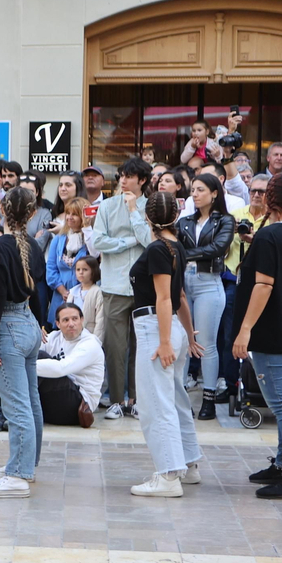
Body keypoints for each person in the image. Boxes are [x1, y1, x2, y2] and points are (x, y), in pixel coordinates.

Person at [232, 173, 282, 499]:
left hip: (272, 330)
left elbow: (264, 285)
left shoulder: (270, 237)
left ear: (268, 199)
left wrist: (245, 329)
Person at [125, 192, 205, 497]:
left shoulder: (159, 248)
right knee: (175, 399)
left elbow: (164, 297)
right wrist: (188, 334)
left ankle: (169, 475)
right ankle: (188, 464)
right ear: (176, 215)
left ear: (148, 217)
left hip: (155, 328)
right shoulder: (176, 246)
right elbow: (179, 297)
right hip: (171, 329)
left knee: (156, 404)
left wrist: (165, 341)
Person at [0, 187, 48, 499]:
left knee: (17, 405)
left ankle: (18, 474)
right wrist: (40, 323)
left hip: (8, 325)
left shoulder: (0, 247)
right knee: (30, 401)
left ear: (2, 210)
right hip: (28, 322)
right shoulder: (34, 245)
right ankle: (25, 463)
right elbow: (39, 289)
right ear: (32, 214)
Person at [86, 157, 153, 420]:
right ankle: (115, 400)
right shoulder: (108, 206)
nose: (123, 180)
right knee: (115, 346)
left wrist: (135, 212)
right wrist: (128, 241)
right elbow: (99, 242)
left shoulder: (151, 206)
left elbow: (149, 241)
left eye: (130, 176)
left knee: (141, 345)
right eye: (122, 175)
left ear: (142, 180)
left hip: (143, 286)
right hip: (113, 284)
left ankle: (135, 399)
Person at [177, 172, 234, 420]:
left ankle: (208, 398)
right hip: (184, 282)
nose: (195, 194)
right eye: (193, 190)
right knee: (182, 342)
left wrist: (187, 255)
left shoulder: (225, 221)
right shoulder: (185, 221)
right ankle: (181, 401)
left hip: (208, 281)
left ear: (214, 193)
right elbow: (176, 248)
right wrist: (187, 255)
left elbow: (218, 249)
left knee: (206, 343)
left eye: (200, 190)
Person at [37, 302, 103, 428]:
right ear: (58, 324)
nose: (71, 324)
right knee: (32, 356)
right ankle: (0, 409)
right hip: (54, 405)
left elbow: (62, 369)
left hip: (77, 407)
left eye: (75, 319)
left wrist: (18, 368)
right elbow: (29, 352)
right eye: (66, 320)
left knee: (40, 359)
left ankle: (10, 412)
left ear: (82, 320)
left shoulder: (90, 343)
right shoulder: (54, 337)